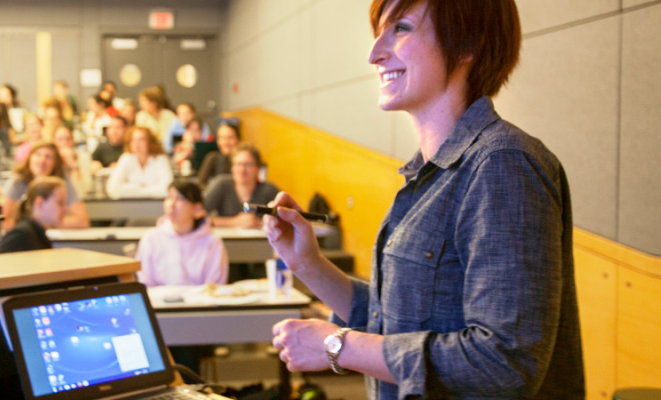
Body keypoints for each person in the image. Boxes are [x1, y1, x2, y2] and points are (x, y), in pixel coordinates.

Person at [267, 1, 584, 398]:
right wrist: (307, 264)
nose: (374, 53)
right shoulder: (430, 172)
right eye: (378, 33)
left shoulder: (503, 164)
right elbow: (395, 320)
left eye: (400, 28)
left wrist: (339, 346)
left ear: (467, 44)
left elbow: (505, 362)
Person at [135, 180, 228, 287]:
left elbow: (215, 286)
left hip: (199, 302)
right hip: (158, 302)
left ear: (197, 208)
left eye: (180, 199)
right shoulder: (151, 238)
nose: (172, 204)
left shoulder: (212, 242)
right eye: (169, 197)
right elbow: (144, 282)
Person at [0, 141, 89, 233]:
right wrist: (34, 228)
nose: (42, 160)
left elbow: (82, 221)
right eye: (38, 155)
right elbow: (3, 222)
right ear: (30, 158)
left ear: (55, 162)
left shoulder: (62, 183)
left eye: (48, 157)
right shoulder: (17, 182)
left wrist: (46, 224)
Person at [205, 144, 278, 228]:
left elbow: (286, 217)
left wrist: (260, 222)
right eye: (238, 164)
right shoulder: (221, 185)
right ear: (232, 168)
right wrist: (233, 222)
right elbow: (197, 217)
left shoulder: (269, 190)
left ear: (257, 168)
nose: (242, 170)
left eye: (248, 165)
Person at [0, 176, 67, 254]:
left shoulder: (37, 235)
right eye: (60, 203)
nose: (65, 209)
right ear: (40, 203)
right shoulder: (21, 236)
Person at [106, 126, 172, 198]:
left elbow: (168, 189)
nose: (137, 144)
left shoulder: (160, 159)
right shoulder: (126, 158)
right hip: (130, 205)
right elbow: (112, 188)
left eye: (141, 140)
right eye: (133, 140)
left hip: (156, 205)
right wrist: (142, 188)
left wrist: (137, 190)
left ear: (149, 142)